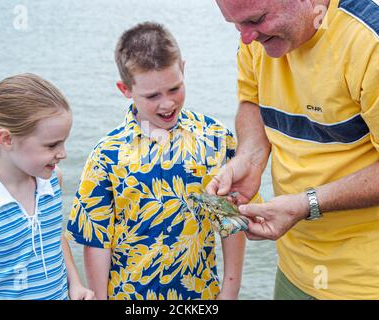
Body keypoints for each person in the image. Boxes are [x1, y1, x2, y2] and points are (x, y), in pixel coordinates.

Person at [209, 0, 379, 299]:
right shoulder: (256, 37)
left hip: (370, 281)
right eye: (236, 24)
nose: (245, 37)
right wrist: (250, 159)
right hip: (293, 268)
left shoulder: (377, 40)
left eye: (257, 19)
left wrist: (307, 204)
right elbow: (252, 100)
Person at [66, 22, 256, 300]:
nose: (167, 104)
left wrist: (230, 291)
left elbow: (230, 220)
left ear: (183, 68)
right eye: (152, 96)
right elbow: (97, 241)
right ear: (125, 89)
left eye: (174, 88)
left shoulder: (215, 138)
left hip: (201, 295)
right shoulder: (107, 154)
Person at [0, 73, 94, 300]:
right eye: (52, 145)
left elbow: (54, 238)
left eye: (64, 141)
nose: (63, 153)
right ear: (6, 139)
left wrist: (75, 283)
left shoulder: (52, 180)